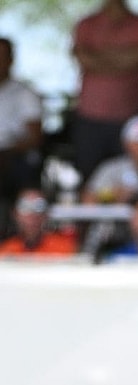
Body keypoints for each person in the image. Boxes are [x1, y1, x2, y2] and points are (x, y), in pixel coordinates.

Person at [70, 0, 138, 184]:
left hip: (129, 117)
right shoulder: (86, 24)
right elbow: (83, 58)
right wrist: (124, 57)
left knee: (133, 179)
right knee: (88, 178)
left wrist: (100, 56)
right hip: (90, 117)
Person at [0, 37, 44, 237]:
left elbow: (35, 137)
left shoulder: (24, 93)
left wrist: (6, 152)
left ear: (10, 60)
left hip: (15, 156)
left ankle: (18, 235)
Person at [0, 188, 78, 257]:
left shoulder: (64, 249)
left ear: (46, 214)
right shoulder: (5, 252)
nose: (32, 215)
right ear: (15, 214)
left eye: (39, 207)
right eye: (25, 207)